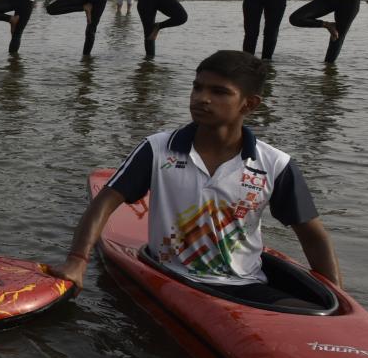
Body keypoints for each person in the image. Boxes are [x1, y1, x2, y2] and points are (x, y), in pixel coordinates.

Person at [49, 50, 342, 307]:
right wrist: (76, 262)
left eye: (219, 92)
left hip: (246, 286)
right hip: (170, 278)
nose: (202, 98)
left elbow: (313, 235)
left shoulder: (274, 163)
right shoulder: (158, 148)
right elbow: (104, 203)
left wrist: (340, 303)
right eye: (197, 87)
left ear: (249, 104)